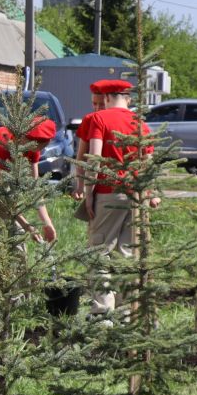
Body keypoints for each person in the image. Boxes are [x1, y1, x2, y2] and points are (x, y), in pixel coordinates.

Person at [73, 78, 153, 316]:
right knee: (129, 252)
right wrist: (148, 194)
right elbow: (148, 162)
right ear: (128, 98)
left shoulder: (99, 119)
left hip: (107, 193)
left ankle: (102, 313)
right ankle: (129, 313)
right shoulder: (141, 123)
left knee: (100, 252)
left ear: (106, 98)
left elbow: (94, 157)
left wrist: (89, 192)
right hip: (136, 195)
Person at [0, 115, 59, 243]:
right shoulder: (6, 146)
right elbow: (4, 197)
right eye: (38, 146)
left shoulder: (33, 146)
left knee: (14, 229)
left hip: (3, 174)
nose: (39, 150)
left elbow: (35, 189)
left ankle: (16, 261)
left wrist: (47, 223)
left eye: (42, 146)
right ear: (25, 137)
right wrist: (26, 225)